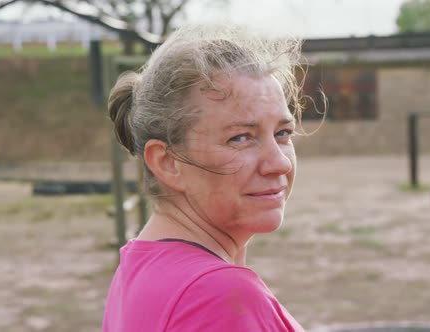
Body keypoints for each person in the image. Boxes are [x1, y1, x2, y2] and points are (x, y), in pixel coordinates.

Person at [103, 24, 307, 331]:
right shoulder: (218, 295)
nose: (278, 163)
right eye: (241, 138)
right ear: (168, 162)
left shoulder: (140, 269)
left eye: (282, 133)